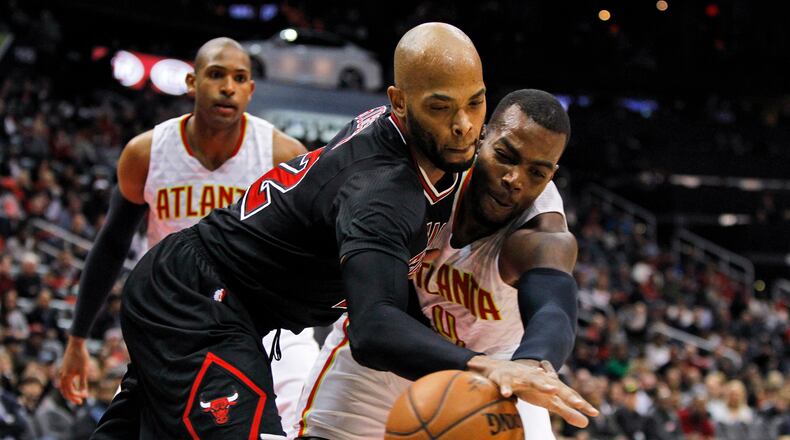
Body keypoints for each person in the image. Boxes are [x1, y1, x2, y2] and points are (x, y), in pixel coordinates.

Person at [98, 23, 597, 439]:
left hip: (223, 299)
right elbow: (375, 326)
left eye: (475, 103)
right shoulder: (385, 190)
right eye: (442, 108)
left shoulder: (446, 159)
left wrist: (526, 363)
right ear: (400, 103)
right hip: (202, 299)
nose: (463, 125)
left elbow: (552, 297)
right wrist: (481, 366)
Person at [56, 37, 315, 432]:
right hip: (173, 321)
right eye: (216, 75)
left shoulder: (280, 155)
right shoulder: (146, 153)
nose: (227, 86)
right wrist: (78, 338)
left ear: (250, 90)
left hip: (255, 323)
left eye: (239, 78)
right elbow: (111, 245)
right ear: (192, 83)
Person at [293, 89, 582, 440]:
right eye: (506, 156)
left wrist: (532, 363)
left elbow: (554, 310)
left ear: (552, 173)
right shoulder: (431, 174)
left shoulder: (541, 235)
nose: (514, 180)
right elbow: (375, 321)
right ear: (482, 134)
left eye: (537, 172)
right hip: (398, 346)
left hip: (495, 374)